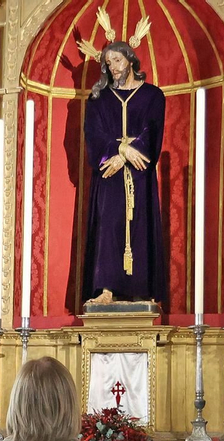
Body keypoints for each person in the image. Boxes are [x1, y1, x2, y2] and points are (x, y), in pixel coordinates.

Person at [82, 34, 167, 307]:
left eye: (117, 60)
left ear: (130, 59)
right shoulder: (98, 99)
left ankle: (141, 290)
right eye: (108, 63)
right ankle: (105, 289)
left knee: (140, 225)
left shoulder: (153, 95)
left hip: (139, 175)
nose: (114, 67)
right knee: (108, 227)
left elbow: (152, 131)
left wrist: (131, 153)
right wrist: (120, 151)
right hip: (108, 176)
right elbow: (93, 134)